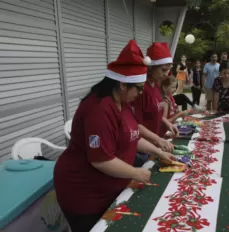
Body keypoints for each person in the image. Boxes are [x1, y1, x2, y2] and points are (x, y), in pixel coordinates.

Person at [54, 40, 174, 232]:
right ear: (122, 85)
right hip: (84, 192)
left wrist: (157, 150)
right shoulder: (99, 109)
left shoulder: (123, 103)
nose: (142, 92)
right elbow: (101, 161)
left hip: (108, 186)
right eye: (139, 87)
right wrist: (136, 172)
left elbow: (133, 135)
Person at [133, 42, 179, 167]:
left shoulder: (156, 86)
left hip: (154, 143)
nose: (166, 74)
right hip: (143, 146)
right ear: (151, 67)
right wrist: (157, 140)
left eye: (168, 70)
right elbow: (136, 124)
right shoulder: (141, 89)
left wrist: (166, 122)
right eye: (163, 70)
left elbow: (154, 111)